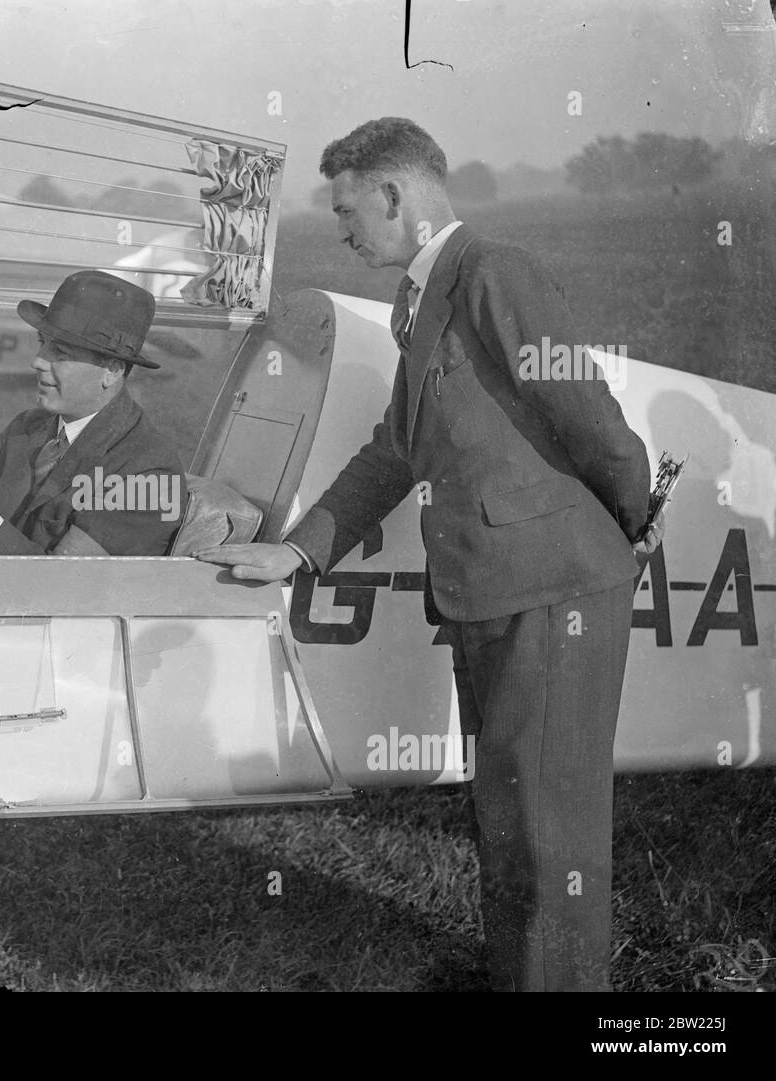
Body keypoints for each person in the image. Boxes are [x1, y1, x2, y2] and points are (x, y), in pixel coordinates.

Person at [197, 117, 663, 991]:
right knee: (509, 824)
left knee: (550, 837)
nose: (340, 229)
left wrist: (632, 523)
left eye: (348, 210)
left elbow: (591, 417)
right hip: (489, 597)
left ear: (394, 194)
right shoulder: (423, 298)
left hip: (553, 593)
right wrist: (297, 554)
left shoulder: (493, 272)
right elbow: (394, 452)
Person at [0, 270, 186, 556]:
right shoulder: (26, 428)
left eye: (62, 353)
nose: (37, 361)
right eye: (43, 343)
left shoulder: (149, 473)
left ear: (112, 370)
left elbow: (66, 588)